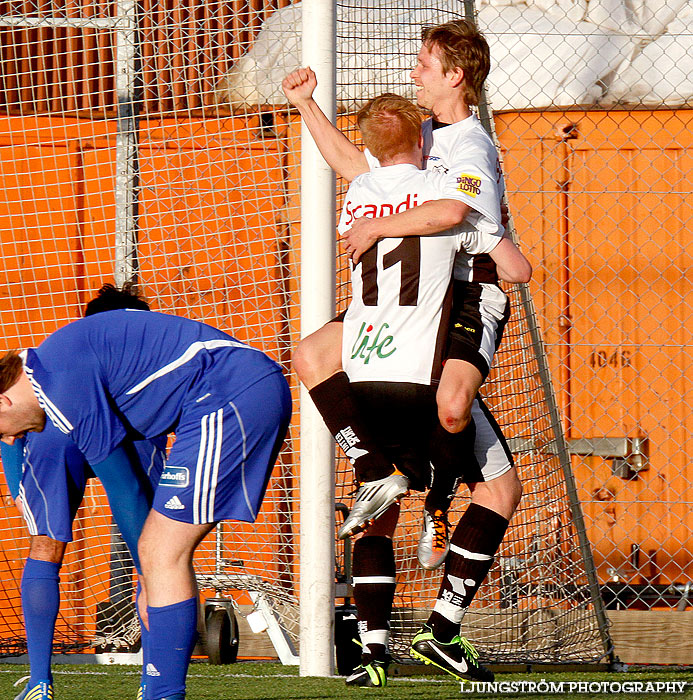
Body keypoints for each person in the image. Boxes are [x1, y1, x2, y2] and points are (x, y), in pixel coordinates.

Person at [283, 18, 528, 680]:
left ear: (455, 74)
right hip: (409, 303)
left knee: (453, 406)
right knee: (311, 356)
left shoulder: (470, 144)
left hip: (464, 296)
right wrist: (306, 104)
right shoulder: (421, 135)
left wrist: (378, 225)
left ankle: (440, 510)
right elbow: (355, 165)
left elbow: (452, 216)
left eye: (425, 60)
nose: (413, 68)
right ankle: (376, 471)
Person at [0, 309, 292, 700]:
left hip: (226, 394)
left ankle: (155, 692)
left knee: (160, 553)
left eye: (1, 430)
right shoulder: (54, 365)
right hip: (227, 393)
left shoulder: (62, 385)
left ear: (3, 400)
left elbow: (125, 491)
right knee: (160, 553)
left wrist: (148, 575)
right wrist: (147, 572)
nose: (9, 438)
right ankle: (156, 690)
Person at [323, 93, 512, 687]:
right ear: (420, 142)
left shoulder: (360, 193)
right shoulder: (445, 183)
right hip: (421, 364)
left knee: (378, 504)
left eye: (424, 63)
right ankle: (442, 616)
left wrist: (304, 106)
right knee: (495, 486)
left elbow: (353, 164)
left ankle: (372, 650)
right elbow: (484, 240)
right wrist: (498, 240)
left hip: (364, 372)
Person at [1, 284, 167, 700]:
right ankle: (154, 681)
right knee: (157, 557)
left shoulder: (55, 359)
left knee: (45, 546)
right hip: (132, 430)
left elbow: (9, 431)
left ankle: (40, 681)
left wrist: (15, 480)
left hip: (54, 434)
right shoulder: (147, 352)